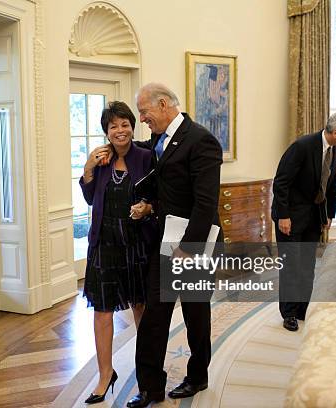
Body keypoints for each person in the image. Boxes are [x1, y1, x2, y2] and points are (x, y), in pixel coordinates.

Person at [126, 83, 223, 408]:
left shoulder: (202, 141)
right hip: (165, 239)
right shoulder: (159, 140)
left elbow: (206, 203)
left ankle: (198, 376)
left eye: (144, 111)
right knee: (154, 315)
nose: (142, 118)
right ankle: (150, 387)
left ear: (164, 104)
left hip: (193, 242)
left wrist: (188, 247)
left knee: (196, 314)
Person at [79, 101, 155, 404]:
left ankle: (147, 373)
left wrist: (147, 207)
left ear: (132, 127)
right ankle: (104, 374)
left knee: (140, 309)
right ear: (106, 131)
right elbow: (89, 197)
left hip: (135, 245)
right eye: (113, 126)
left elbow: (157, 197)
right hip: (103, 245)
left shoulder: (146, 158)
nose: (120, 130)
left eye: (125, 124)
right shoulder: (100, 160)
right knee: (102, 313)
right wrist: (87, 168)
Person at [271, 111, 336, 331]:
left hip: (314, 216)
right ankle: (289, 313)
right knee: (291, 265)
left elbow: (329, 184)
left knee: (307, 265)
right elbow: (281, 182)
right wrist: (283, 215)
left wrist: (329, 213)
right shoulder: (302, 146)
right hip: (290, 216)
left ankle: (302, 308)